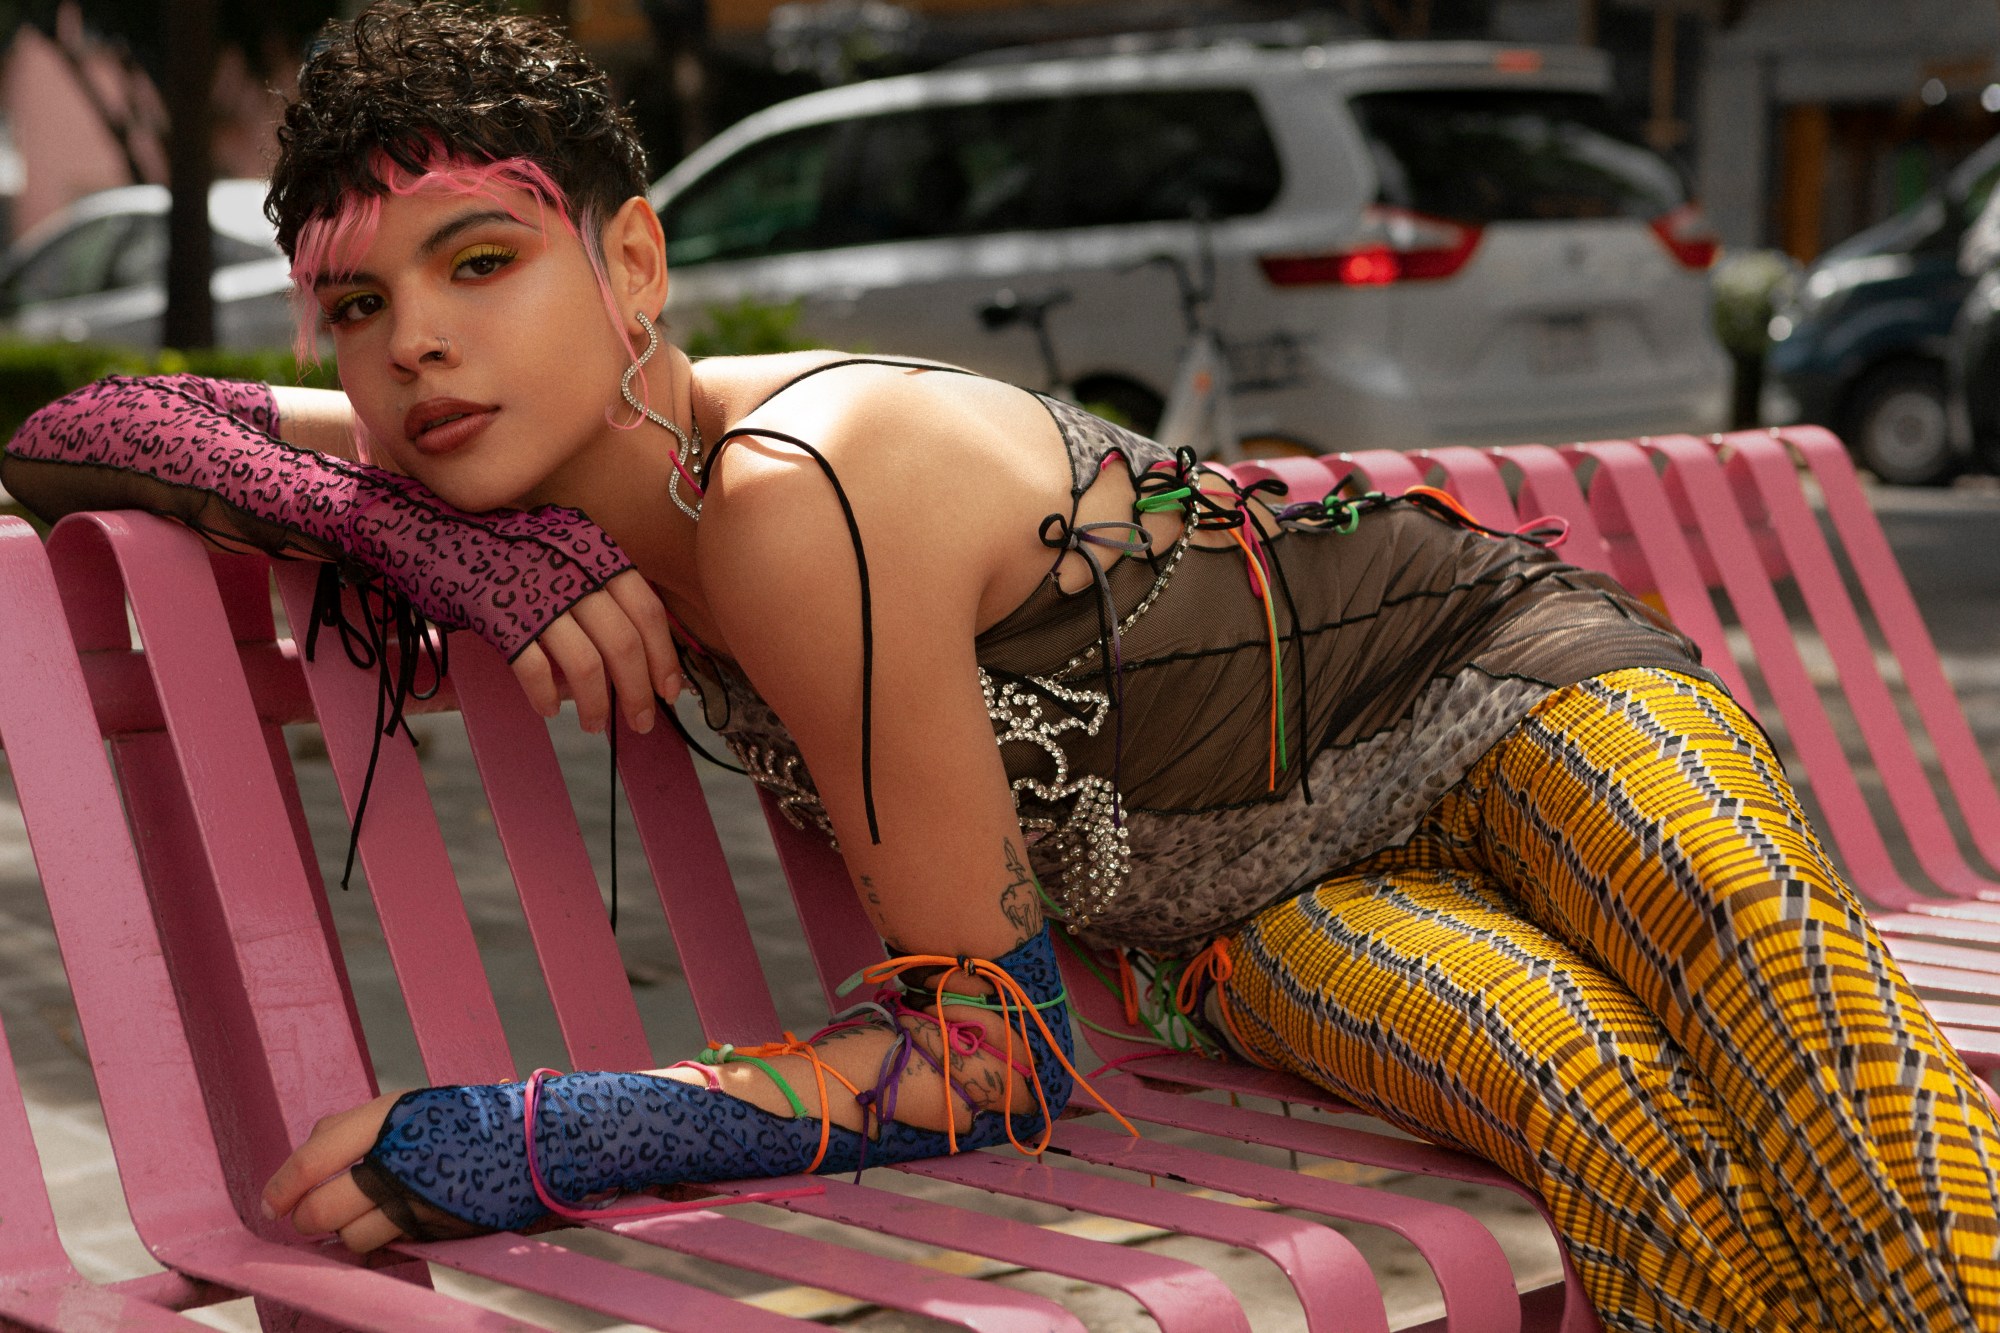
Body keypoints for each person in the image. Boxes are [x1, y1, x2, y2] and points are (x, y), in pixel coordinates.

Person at [7, 5, 1998, 1329]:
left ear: (625, 269)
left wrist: (516, 1140)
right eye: (357, 305)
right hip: (1251, 914)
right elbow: (97, 420)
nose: (413, 345)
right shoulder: (494, 443)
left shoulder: (793, 485)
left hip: (1502, 689)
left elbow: (982, 1046)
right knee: (1605, 1117)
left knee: (1791, 1011)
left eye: (478, 261)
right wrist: (420, 532)